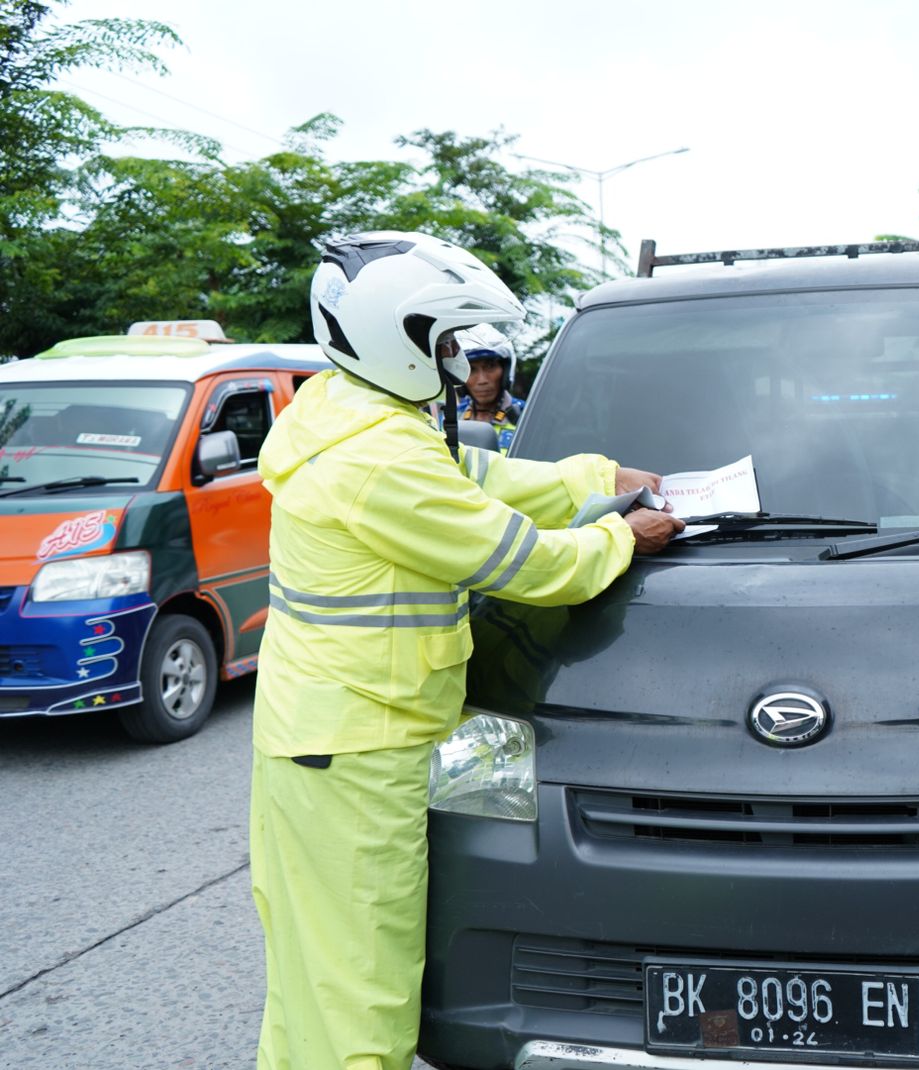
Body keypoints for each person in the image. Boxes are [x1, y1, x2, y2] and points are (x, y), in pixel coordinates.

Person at [248, 230, 684, 1070]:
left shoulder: (349, 413)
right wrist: (624, 534)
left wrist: (600, 476)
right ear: (398, 339)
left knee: (313, 972)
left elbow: (477, 483)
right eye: (445, 340)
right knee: (360, 992)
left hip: (326, 736)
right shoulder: (378, 462)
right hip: (355, 747)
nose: (459, 362)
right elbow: (530, 563)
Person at [453, 322, 523, 450]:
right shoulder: (451, 419)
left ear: (505, 371)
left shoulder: (527, 416)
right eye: (471, 370)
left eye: (490, 366)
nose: (482, 380)